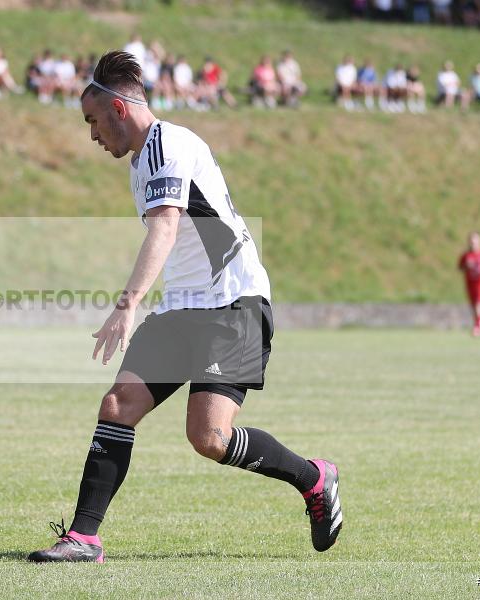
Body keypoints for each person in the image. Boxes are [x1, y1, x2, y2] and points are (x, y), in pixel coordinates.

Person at [27, 50, 342, 563]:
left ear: (118, 109)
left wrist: (128, 304)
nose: (91, 135)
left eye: (92, 121)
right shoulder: (141, 162)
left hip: (233, 304)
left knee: (210, 438)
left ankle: (314, 478)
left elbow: (168, 226)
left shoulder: (167, 144)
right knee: (118, 406)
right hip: (184, 307)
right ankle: (84, 537)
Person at [457, 232, 480, 337]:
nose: (473, 243)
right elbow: (460, 268)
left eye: (475, 241)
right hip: (470, 283)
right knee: (474, 307)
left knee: (479, 304)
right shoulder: (466, 256)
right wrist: (467, 266)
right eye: (471, 241)